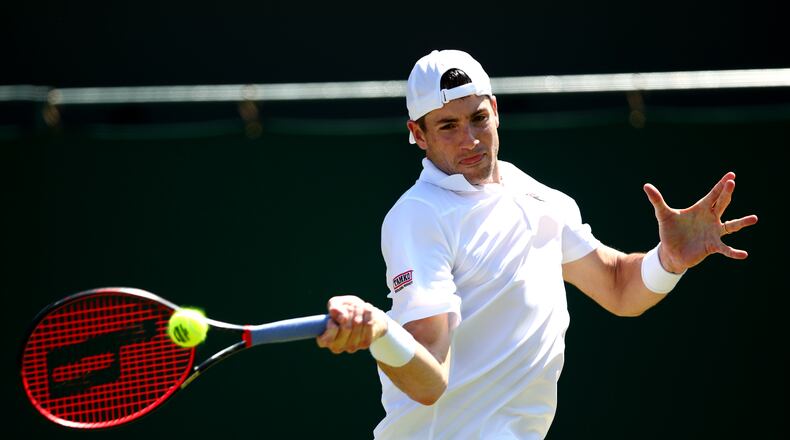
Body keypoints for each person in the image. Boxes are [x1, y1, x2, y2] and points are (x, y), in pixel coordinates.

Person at [316, 49, 758, 439]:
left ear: (495, 109)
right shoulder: (418, 216)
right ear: (418, 133)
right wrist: (379, 335)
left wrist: (669, 260)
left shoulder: (541, 198)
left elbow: (620, 286)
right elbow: (429, 382)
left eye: (478, 118)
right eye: (447, 126)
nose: (469, 138)